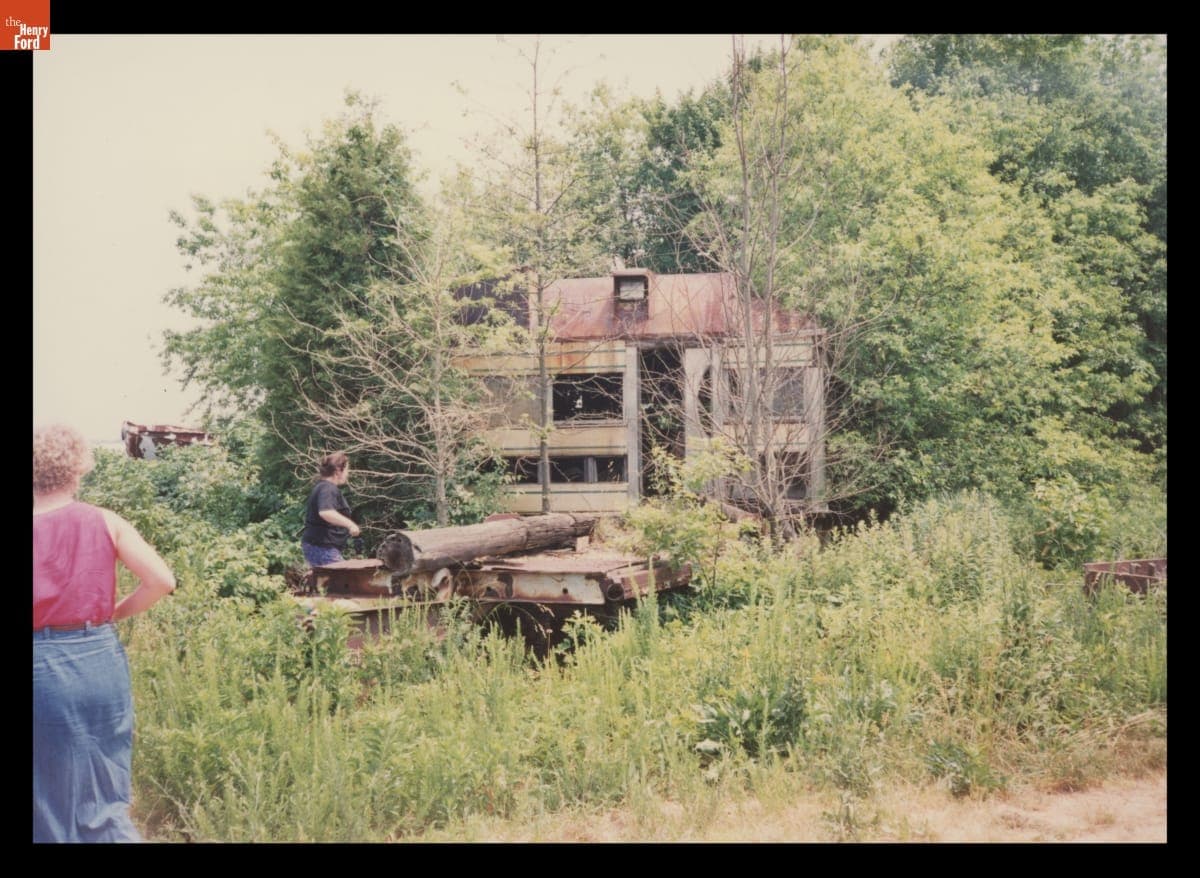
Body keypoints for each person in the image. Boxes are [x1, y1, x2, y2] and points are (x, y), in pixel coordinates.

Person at [33, 424, 176, 843]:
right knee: (103, 795)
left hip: (40, 664)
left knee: (44, 793)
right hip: (97, 656)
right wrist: (111, 614)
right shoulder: (104, 520)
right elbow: (162, 581)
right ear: (78, 469)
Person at [300, 451, 361, 567]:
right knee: (343, 582)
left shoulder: (322, 487)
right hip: (322, 547)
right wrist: (351, 525)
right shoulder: (327, 488)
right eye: (347, 470)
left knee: (329, 584)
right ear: (338, 471)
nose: (348, 474)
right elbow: (326, 512)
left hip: (318, 546)